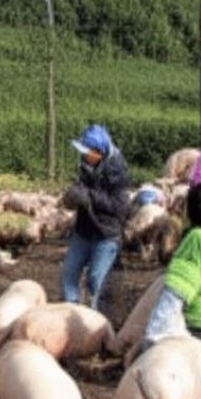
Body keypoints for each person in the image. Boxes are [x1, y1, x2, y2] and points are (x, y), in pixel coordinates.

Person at [138, 182, 201, 353]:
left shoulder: (197, 238)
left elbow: (180, 286)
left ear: (193, 211)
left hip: (196, 329)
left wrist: (154, 335)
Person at [60, 124, 133, 312]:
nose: (84, 155)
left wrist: (90, 197)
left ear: (99, 152)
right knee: (69, 272)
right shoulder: (85, 166)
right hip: (84, 230)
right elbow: (81, 188)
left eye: (87, 152)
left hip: (106, 234)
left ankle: (93, 321)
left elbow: (119, 207)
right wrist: (74, 194)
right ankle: (71, 310)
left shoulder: (118, 173)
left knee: (95, 279)